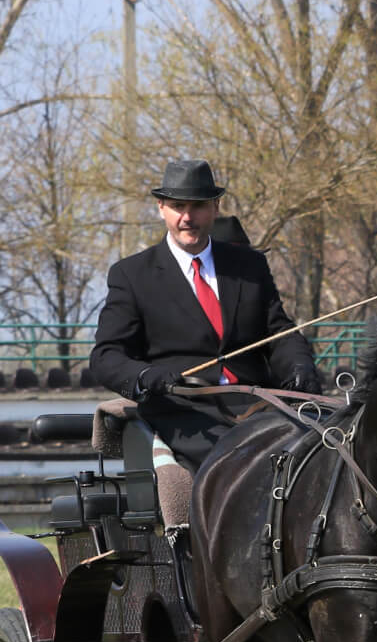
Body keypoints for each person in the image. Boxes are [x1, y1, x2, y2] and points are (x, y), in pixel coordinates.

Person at [89, 158, 318, 473]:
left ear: (215, 207)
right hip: (185, 414)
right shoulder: (132, 274)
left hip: (258, 406)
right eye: (177, 206)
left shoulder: (249, 265)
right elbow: (106, 356)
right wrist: (145, 376)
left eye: (197, 206)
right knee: (248, 462)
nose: (187, 218)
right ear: (161, 208)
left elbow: (279, 333)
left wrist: (299, 365)